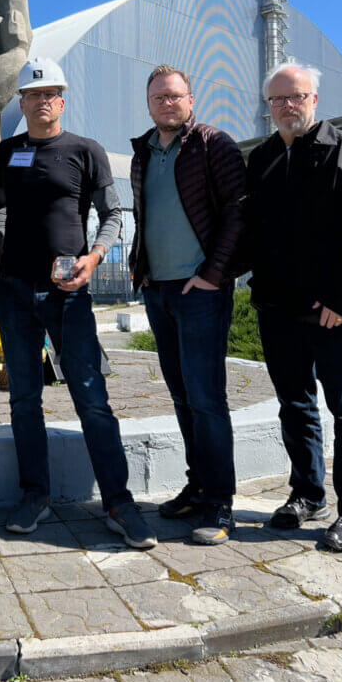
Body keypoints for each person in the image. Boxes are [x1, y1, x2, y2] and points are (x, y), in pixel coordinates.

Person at [0, 57, 156, 548]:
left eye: (51, 93)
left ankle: (118, 502)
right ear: (21, 102)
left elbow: (113, 214)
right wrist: (4, 251)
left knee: (91, 398)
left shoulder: (86, 151)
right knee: (24, 400)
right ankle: (34, 495)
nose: (43, 101)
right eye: (34, 95)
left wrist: (94, 258)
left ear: (63, 99)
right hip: (16, 293)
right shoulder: (6, 152)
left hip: (70, 292)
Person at [246, 62, 342, 552]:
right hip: (278, 308)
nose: (287, 106)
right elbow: (251, 234)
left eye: (296, 96)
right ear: (269, 108)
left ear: (314, 100)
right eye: (278, 100)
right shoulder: (262, 158)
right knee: (295, 405)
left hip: (333, 311)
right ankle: (307, 495)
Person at [129, 64, 247, 545]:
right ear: (149, 104)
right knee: (181, 396)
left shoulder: (213, 144)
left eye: (175, 96)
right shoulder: (143, 152)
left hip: (200, 292)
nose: (167, 104)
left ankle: (220, 504)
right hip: (159, 291)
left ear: (191, 99)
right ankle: (198, 487)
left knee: (206, 398)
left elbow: (239, 211)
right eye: (159, 98)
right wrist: (141, 271)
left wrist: (213, 274)